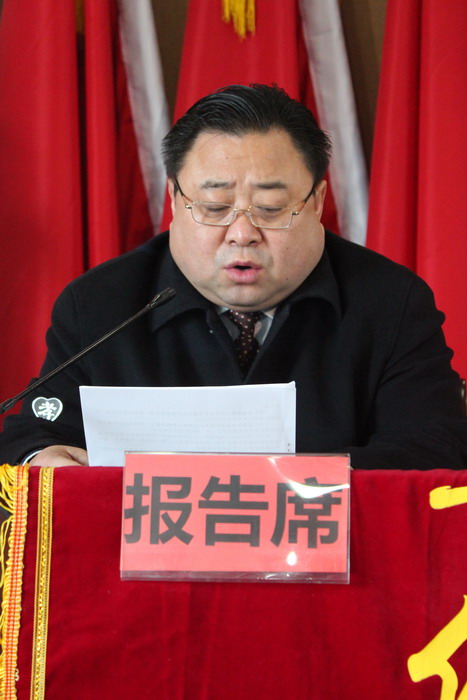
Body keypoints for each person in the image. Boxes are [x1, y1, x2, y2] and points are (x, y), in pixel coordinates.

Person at [1, 83, 466, 468]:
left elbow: (435, 450)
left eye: (271, 208)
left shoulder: (391, 303)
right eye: (214, 207)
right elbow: (33, 436)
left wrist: (273, 484)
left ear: (317, 202)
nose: (242, 234)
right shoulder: (101, 305)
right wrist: (43, 457)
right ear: (174, 199)